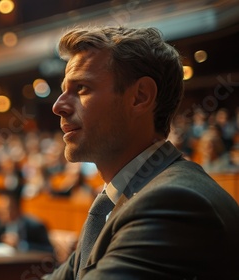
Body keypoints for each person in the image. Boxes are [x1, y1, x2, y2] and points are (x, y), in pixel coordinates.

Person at [44, 26, 239, 279]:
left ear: (140, 97)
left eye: (81, 88)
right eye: (63, 90)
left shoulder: (170, 202)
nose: (58, 106)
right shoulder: (119, 200)